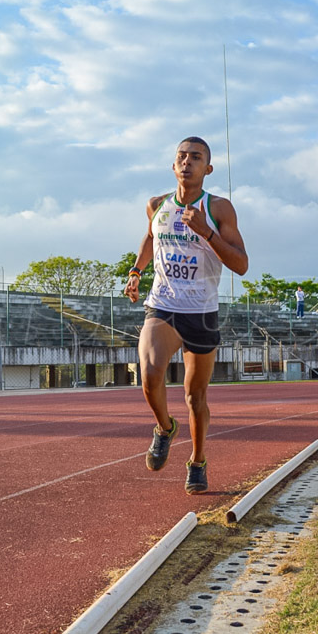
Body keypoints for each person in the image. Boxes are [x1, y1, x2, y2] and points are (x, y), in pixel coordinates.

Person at [124, 136, 248, 494]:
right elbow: (150, 238)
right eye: (181, 156)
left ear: (207, 169)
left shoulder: (219, 209)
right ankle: (164, 428)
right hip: (162, 304)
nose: (187, 161)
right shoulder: (157, 205)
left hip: (202, 312)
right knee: (149, 375)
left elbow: (241, 264)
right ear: (173, 165)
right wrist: (136, 272)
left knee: (195, 397)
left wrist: (206, 232)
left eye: (196, 157)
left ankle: (197, 461)